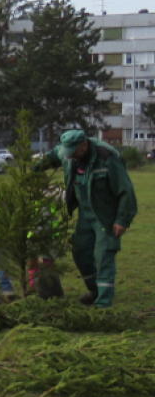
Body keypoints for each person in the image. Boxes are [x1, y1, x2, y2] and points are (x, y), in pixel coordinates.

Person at [36, 129, 137, 308]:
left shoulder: (107, 157)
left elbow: (126, 191)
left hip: (105, 215)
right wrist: (31, 171)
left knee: (104, 255)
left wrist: (122, 219)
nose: (71, 157)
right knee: (80, 252)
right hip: (84, 213)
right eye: (68, 153)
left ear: (84, 144)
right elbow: (52, 157)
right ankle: (95, 291)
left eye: (74, 152)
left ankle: (103, 303)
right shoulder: (67, 153)